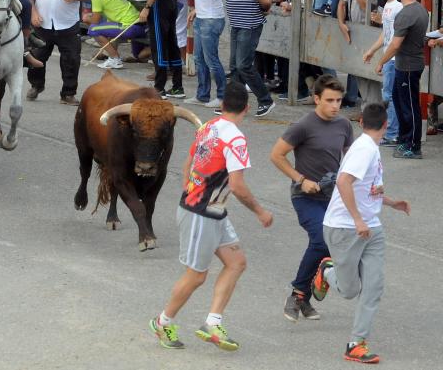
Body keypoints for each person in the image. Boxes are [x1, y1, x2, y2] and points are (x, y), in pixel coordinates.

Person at [149, 81, 273, 352]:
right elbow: (238, 186)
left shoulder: (207, 127)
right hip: (201, 213)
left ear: (222, 105)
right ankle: (162, 321)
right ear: (247, 108)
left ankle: (212, 323)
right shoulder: (236, 138)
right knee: (196, 276)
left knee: (237, 262)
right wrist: (260, 211)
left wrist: (189, 188)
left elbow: (189, 163)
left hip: (211, 210)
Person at [313, 102, 411, 364]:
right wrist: (357, 219)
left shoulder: (372, 150)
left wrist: (391, 202)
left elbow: (369, 188)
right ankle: (327, 271)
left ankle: (356, 343)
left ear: (360, 121)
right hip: (344, 228)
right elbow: (343, 181)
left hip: (371, 228)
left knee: (374, 286)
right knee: (348, 290)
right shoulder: (364, 150)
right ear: (386, 124)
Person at [270, 75, 353, 322]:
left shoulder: (344, 126)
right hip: (305, 197)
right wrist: (301, 179)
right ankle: (297, 294)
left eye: (338, 100)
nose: (335, 106)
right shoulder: (303, 126)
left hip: (333, 197)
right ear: (316, 99)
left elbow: (350, 160)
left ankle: (305, 297)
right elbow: (276, 155)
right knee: (320, 239)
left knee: (332, 244)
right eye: (329, 100)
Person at [26, 0, 93, 105]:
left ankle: (68, 94)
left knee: (71, 59)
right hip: (42, 24)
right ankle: (36, 85)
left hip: (68, 24)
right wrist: (33, 13)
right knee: (37, 57)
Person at [375, 0, 429, 159]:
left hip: (408, 66)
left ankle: (413, 146)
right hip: (406, 65)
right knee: (400, 102)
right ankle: (405, 140)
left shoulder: (406, 14)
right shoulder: (420, 9)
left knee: (409, 106)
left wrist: (381, 61)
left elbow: (395, 44)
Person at [225, 0, 274, 117]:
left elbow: (266, 0)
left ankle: (266, 100)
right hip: (236, 24)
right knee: (234, 67)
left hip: (249, 24)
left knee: (243, 65)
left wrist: (260, 10)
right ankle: (234, 106)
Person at [180, 0, 225, 108]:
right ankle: (203, 94)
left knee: (211, 59)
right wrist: (197, 10)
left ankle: (222, 96)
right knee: (199, 58)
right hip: (204, 16)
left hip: (211, 20)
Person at [363, 0, 402, 146]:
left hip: (394, 60)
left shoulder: (398, 7)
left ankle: (393, 133)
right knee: (389, 95)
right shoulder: (387, 5)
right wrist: (372, 50)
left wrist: (382, 61)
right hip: (389, 59)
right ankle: (393, 132)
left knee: (390, 96)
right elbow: (386, 34)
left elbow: (396, 39)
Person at [84, 0, 147, 70]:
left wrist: (87, 18)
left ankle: (115, 59)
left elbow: (95, 21)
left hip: (129, 26)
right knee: (139, 55)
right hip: (138, 26)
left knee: (93, 29)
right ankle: (166, 51)